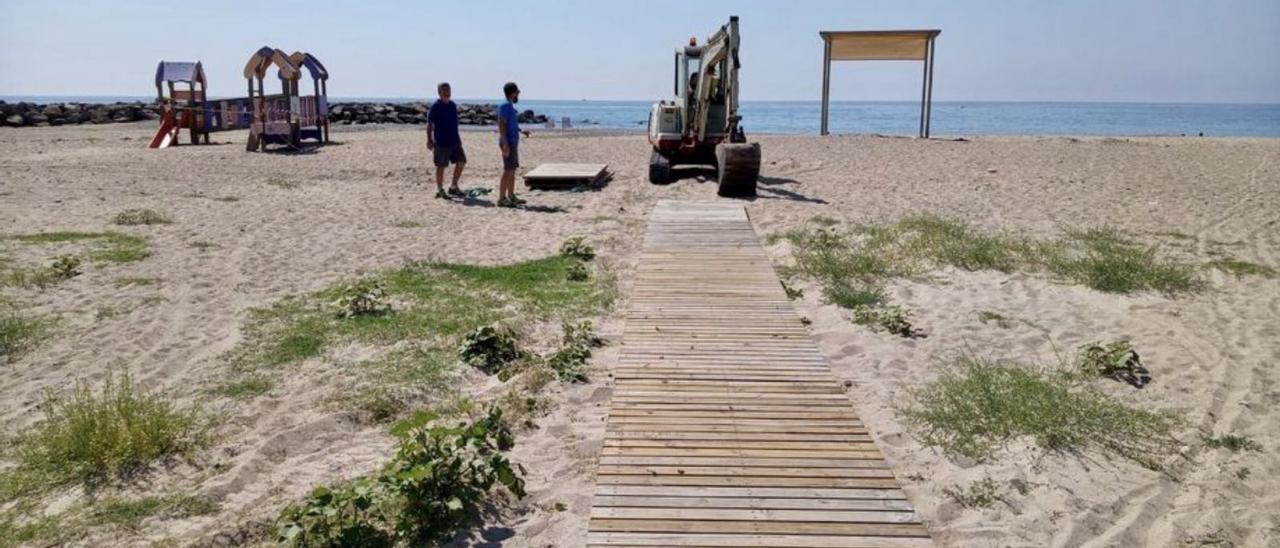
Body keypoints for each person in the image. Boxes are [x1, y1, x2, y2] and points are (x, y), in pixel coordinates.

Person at [426, 82, 465, 199]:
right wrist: (429, 139)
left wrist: (458, 138)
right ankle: (440, 189)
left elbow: (455, 123)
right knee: (441, 166)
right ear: (439, 92)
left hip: (454, 140)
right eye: (444, 90)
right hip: (441, 142)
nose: (447, 92)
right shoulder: (435, 106)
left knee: (461, 162)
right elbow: (429, 124)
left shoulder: (452, 105)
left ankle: (453, 186)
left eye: (448, 90)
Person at [496, 81, 530, 208]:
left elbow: (511, 124)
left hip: (512, 142)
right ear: (513, 92)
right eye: (517, 92)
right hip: (508, 142)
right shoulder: (505, 106)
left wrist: (521, 130)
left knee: (512, 170)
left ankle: (511, 196)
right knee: (507, 170)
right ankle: (501, 198)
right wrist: (505, 143)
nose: (518, 94)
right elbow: (502, 125)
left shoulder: (509, 106)